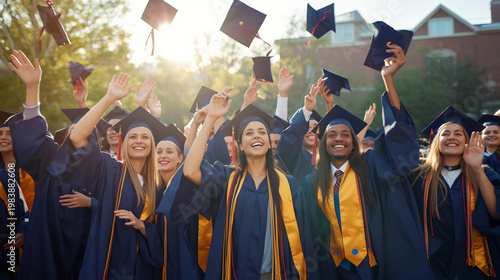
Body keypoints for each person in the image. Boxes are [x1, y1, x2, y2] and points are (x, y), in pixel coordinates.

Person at [298, 44, 433, 280]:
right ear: (323, 143)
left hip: (372, 265)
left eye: (345, 135)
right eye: (331, 135)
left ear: (354, 142)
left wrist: (388, 81)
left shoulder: (370, 166)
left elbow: (396, 142)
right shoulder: (313, 181)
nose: (338, 138)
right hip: (334, 268)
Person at [160, 87, 309, 279]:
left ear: (268, 140)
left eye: (262, 132)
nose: (256, 135)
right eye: (249, 133)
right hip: (232, 274)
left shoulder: (288, 185)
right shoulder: (225, 179)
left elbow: (301, 240)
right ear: (239, 144)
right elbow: (189, 171)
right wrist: (210, 120)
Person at [50, 73, 170, 279]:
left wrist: (142, 226)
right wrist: (108, 98)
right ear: (124, 142)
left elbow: (165, 234)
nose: (138, 141)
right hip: (105, 263)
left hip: (142, 269)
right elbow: (78, 137)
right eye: (132, 136)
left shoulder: (159, 184)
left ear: (152, 144)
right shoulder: (109, 169)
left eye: (144, 137)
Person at [412, 107, 500, 279]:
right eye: (445, 133)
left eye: (458, 133)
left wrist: (477, 170)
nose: (451, 137)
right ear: (437, 140)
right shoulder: (419, 177)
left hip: (474, 265)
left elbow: (495, 212)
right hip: (433, 264)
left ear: (466, 140)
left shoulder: (485, 173)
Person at [0, 111, 31, 280]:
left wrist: (24, 230)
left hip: (32, 243)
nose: (3, 137)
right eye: (0, 133)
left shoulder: (32, 172)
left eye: (9, 133)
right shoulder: (2, 174)